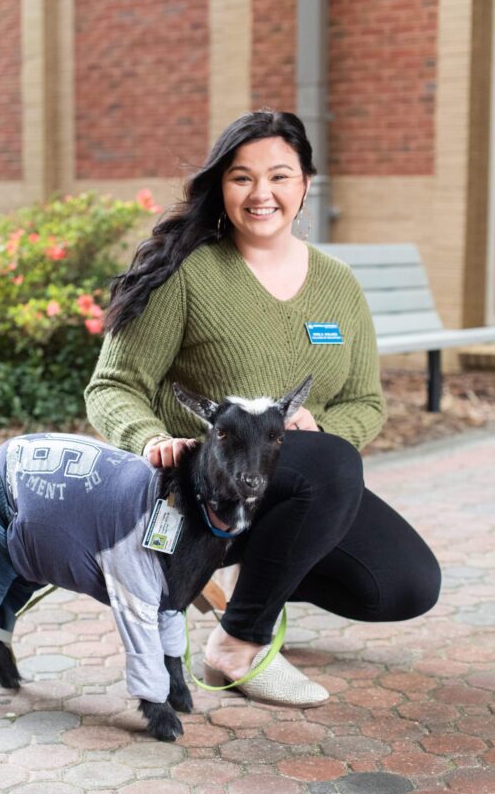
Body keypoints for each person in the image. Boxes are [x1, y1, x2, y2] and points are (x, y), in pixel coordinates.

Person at [85, 109, 441, 706]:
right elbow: (112, 385)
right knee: (328, 466)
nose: (261, 194)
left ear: (305, 184)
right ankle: (237, 642)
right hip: (199, 486)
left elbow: (365, 402)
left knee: (402, 586)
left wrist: (321, 427)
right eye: (241, 177)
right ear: (221, 188)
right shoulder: (189, 273)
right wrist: (149, 438)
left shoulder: (339, 285)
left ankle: (249, 577)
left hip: (296, 481)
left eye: (279, 176)